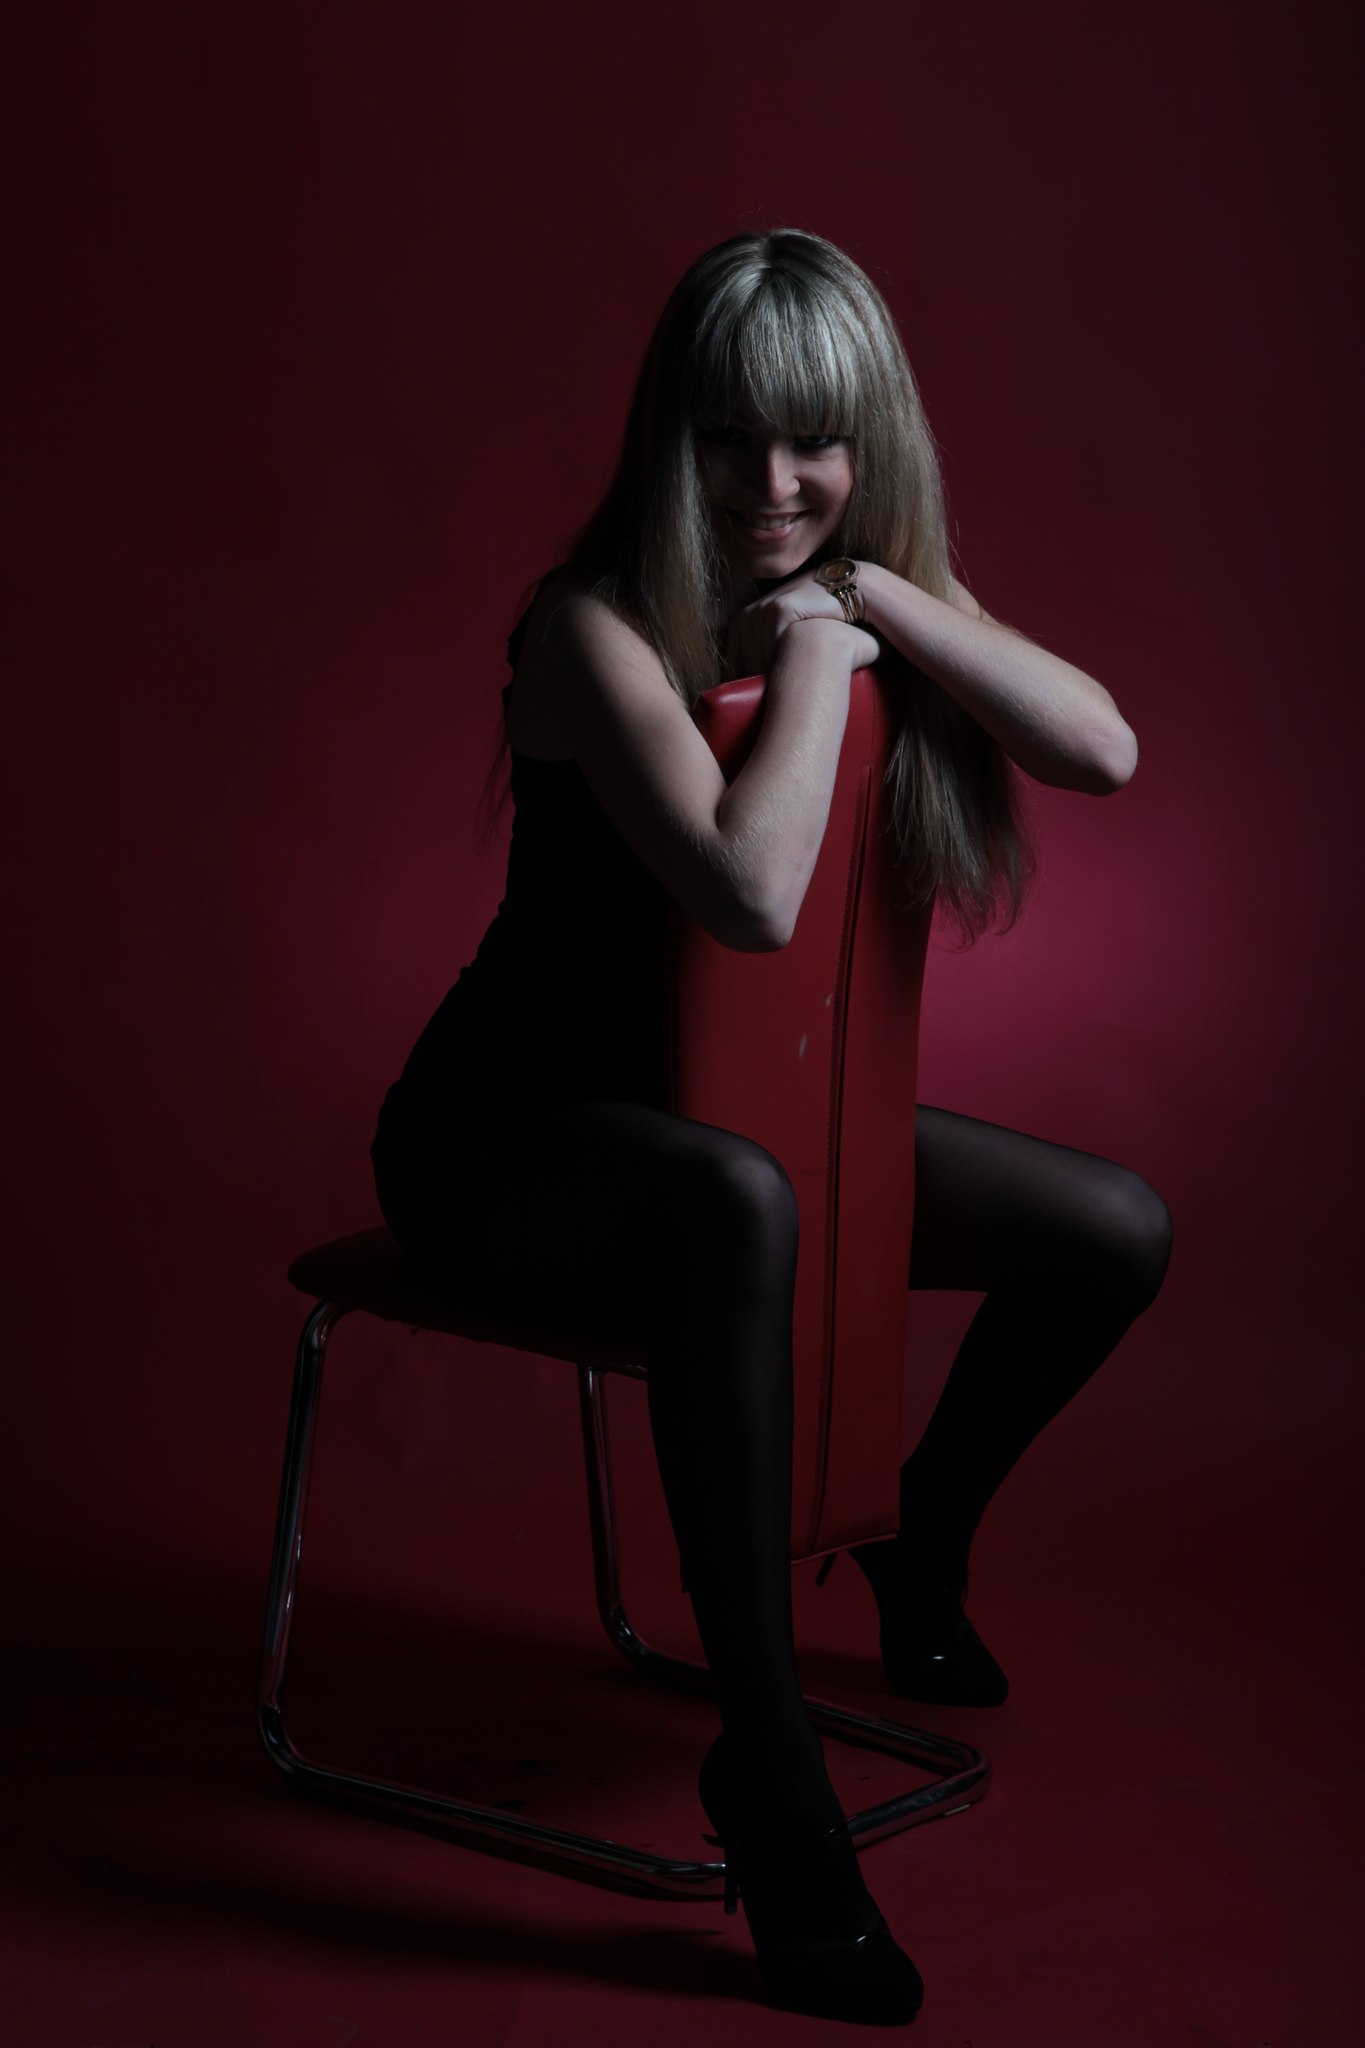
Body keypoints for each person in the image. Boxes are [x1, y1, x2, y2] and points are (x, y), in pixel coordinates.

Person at [370, 229, 1173, 2026]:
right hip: (509, 1141)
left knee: (1111, 1228)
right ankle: (771, 1761)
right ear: (670, 438)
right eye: (729, 439)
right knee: (739, 1203)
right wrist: (819, 656)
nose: (774, 484)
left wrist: (876, 597)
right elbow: (747, 894)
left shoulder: (846, 573)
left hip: (729, 1126)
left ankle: (918, 1530)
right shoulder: (589, 625)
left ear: (870, 446)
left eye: (817, 442)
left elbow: (1102, 751)